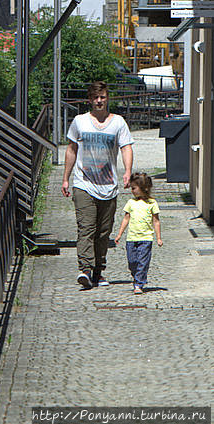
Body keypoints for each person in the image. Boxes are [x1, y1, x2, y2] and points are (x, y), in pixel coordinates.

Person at [62, 80, 133, 289]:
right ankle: (84, 270)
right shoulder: (79, 121)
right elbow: (71, 149)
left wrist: (128, 171)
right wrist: (66, 178)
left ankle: (98, 271)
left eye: (102, 97)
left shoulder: (118, 122)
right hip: (83, 183)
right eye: (95, 98)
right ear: (89, 100)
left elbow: (126, 147)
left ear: (107, 98)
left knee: (104, 232)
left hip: (109, 185)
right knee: (86, 228)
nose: (99, 101)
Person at [114, 172, 162, 293]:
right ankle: (137, 278)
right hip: (131, 238)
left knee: (143, 262)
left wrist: (158, 237)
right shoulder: (131, 202)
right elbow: (126, 218)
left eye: (134, 188)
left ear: (144, 188)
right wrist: (120, 234)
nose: (132, 191)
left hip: (146, 238)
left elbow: (156, 221)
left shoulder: (152, 203)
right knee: (132, 262)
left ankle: (139, 284)